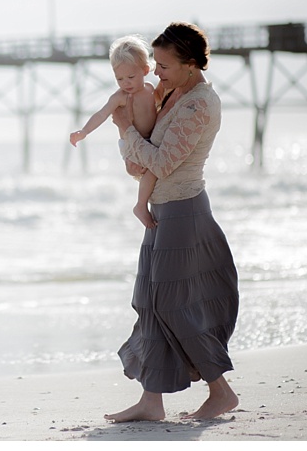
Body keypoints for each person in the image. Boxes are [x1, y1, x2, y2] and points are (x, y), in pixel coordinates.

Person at [104, 22, 240, 422]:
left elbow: (161, 162)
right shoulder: (171, 93)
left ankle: (221, 391)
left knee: (172, 303)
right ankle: (152, 401)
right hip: (162, 210)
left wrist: (126, 130)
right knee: (150, 300)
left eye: (163, 66)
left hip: (184, 210)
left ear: (190, 63)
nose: (156, 73)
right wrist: (131, 140)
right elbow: (142, 164)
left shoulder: (199, 104)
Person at [69, 35, 164, 228]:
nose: (126, 83)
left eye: (131, 77)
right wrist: (84, 131)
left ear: (145, 70)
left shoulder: (150, 88)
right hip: (130, 144)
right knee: (148, 169)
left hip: (148, 140)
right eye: (119, 78)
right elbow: (102, 114)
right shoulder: (120, 97)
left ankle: (149, 202)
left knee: (156, 167)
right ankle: (140, 205)